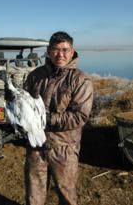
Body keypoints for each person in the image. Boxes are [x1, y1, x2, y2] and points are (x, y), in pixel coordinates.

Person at [24, 31, 93, 205]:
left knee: (66, 194)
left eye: (64, 49)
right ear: (48, 51)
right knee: (34, 193)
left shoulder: (80, 80)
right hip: (36, 144)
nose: (60, 54)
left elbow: (80, 116)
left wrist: (45, 119)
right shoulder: (35, 75)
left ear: (72, 51)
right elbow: (25, 104)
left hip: (64, 148)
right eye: (55, 49)